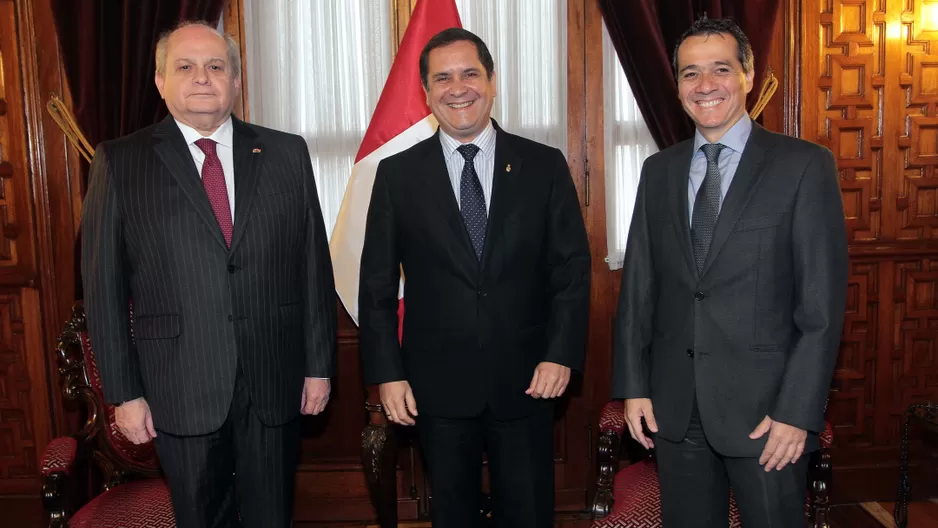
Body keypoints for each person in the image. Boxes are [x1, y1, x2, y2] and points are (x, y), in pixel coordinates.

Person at [81, 21, 336, 528]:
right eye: (186, 67)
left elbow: (312, 265)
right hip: (179, 385)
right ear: (160, 81)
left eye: (216, 66)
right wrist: (123, 395)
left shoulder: (286, 153)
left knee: (272, 517)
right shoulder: (121, 161)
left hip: (274, 379)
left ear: (236, 81)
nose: (203, 78)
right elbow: (103, 287)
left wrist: (319, 365)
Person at [611, 16, 848, 527]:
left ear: (748, 74)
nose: (705, 85)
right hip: (675, 410)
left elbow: (821, 309)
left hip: (768, 415)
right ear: (676, 85)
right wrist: (634, 386)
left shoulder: (804, 166)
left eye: (720, 68)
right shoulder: (659, 171)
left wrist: (797, 412)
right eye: (690, 73)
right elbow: (639, 291)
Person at [358, 27, 590, 528]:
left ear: (492, 81)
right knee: (452, 516)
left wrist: (560, 353)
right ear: (426, 92)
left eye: (469, 73)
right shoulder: (397, 176)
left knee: (528, 513)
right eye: (442, 77)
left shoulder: (543, 165)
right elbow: (376, 286)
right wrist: (387, 374)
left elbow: (570, 271)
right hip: (435, 385)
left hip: (528, 379)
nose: (457, 87)